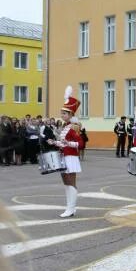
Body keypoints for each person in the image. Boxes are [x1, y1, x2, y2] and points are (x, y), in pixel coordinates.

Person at [47, 86, 83, 218]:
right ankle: (69, 207)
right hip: (63, 156)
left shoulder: (73, 128)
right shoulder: (64, 127)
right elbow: (63, 143)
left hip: (71, 158)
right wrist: (55, 142)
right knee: (65, 183)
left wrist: (69, 143)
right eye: (62, 113)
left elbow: (81, 144)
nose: (62, 115)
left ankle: (71, 208)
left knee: (71, 183)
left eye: (65, 113)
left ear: (71, 115)